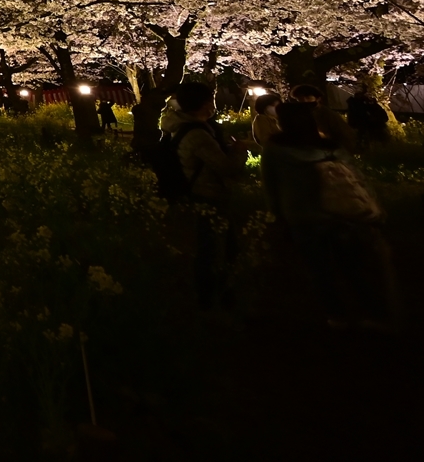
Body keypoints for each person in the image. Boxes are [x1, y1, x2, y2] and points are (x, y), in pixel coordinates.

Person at [264, 101, 398, 331]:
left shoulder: (275, 148)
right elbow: (357, 178)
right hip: (342, 214)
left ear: (282, 122)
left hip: (303, 218)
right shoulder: (331, 146)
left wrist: (277, 214)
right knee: (354, 267)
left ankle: (337, 316)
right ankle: (374, 314)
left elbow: (271, 185)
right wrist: (372, 206)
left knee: (320, 271)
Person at [162, 79, 248, 308]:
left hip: (202, 192)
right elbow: (226, 167)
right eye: (211, 100)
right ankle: (212, 297)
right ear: (204, 103)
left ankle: (216, 293)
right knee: (214, 249)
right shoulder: (197, 134)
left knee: (214, 247)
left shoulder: (188, 126)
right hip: (208, 194)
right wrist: (240, 152)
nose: (213, 104)